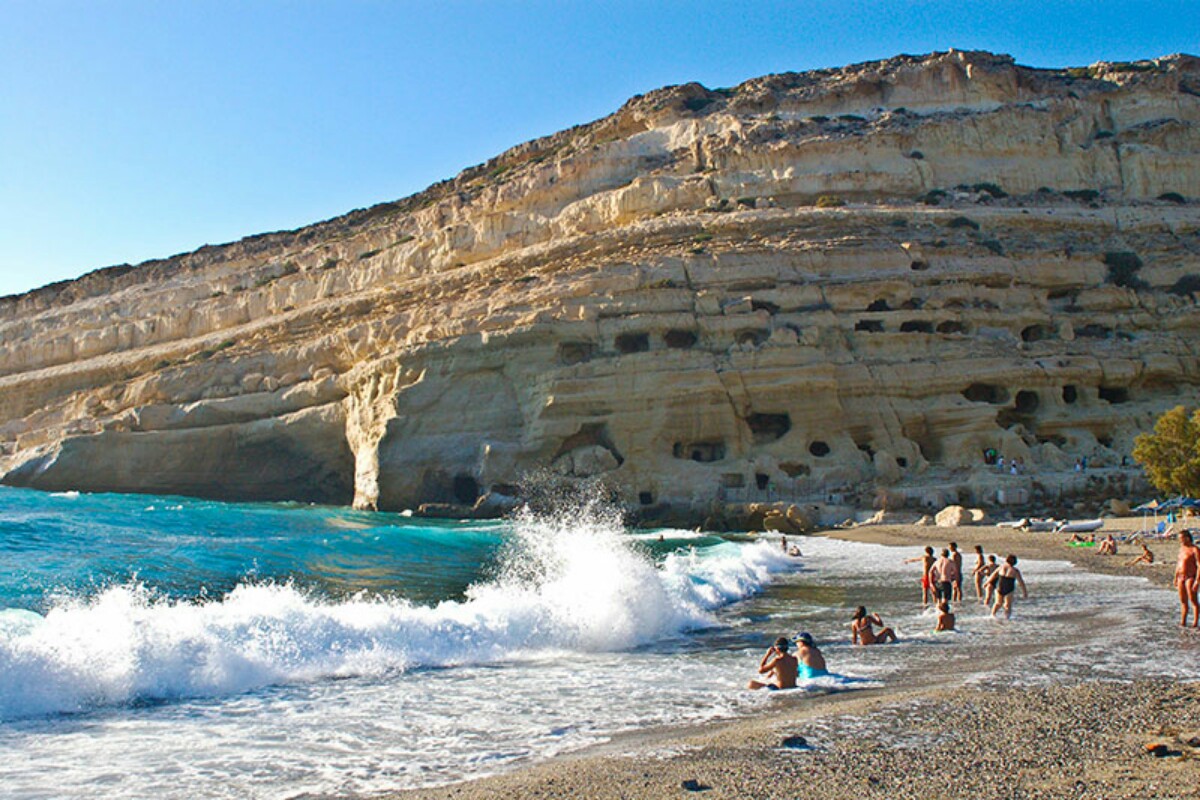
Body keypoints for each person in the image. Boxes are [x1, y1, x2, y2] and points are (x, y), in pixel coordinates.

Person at [986, 555, 1028, 619]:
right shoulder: (1015, 571)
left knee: (998, 603)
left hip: (999, 587)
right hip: (1009, 589)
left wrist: (986, 583)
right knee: (1008, 605)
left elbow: (993, 575)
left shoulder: (1001, 567)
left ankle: (992, 615)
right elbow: (1021, 582)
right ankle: (1007, 618)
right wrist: (1025, 592)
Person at [1174, 531, 1200, 627]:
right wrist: (1175, 577)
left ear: (1187, 538)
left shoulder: (1195, 549)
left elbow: (1199, 565)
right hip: (1181, 576)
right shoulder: (1181, 549)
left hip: (1190, 577)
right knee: (1183, 601)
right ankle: (1183, 622)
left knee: (1193, 600)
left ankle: (1195, 622)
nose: (1180, 540)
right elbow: (1178, 564)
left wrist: (1197, 580)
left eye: (1181, 538)